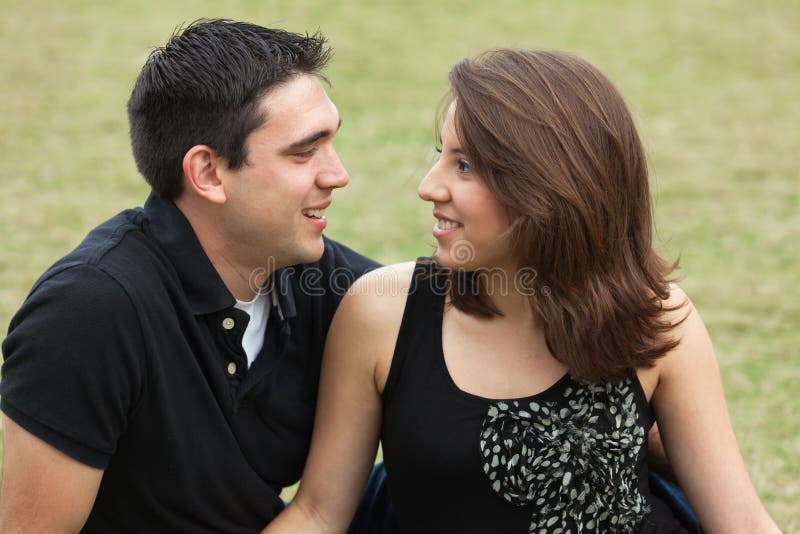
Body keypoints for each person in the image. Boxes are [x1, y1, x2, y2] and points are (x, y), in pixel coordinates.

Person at [264, 49, 780, 533]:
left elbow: (740, 521)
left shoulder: (656, 317)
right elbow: (317, 514)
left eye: (464, 166)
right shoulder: (381, 313)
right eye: (441, 155)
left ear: (549, 188)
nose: (429, 185)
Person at [0, 19, 378, 532]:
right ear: (207, 173)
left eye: (332, 142)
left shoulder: (327, 284)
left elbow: (457, 312)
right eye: (304, 151)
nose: (338, 174)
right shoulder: (89, 313)